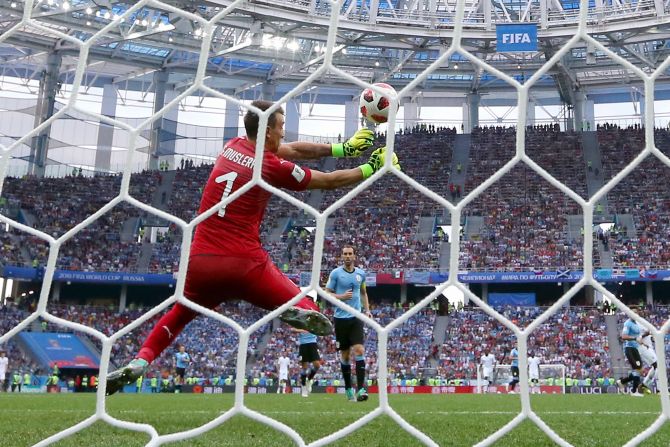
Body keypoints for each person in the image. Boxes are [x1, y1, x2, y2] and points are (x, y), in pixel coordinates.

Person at [105, 100, 400, 395]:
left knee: (180, 313)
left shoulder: (232, 145)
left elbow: (294, 150)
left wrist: (341, 150)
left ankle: (141, 360)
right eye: (281, 127)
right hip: (244, 263)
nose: (284, 133)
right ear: (269, 130)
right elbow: (328, 181)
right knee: (305, 305)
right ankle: (295, 310)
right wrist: (372, 166)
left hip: (201, 261)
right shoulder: (269, 165)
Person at [325, 245, 372, 402]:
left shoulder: (361, 274)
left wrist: (367, 310)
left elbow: (364, 293)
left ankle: (361, 390)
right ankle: (348, 389)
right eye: (345, 254)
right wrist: (341, 296)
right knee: (345, 355)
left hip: (356, 318)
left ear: (354, 256)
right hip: (340, 319)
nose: (347, 256)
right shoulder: (336, 273)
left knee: (359, 350)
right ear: (341, 256)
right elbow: (327, 293)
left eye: (350, 254)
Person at [616, 311, 645, 397]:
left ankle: (622, 382)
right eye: (633, 312)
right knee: (637, 368)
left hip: (636, 349)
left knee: (639, 369)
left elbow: (639, 337)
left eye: (636, 312)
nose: (635, 314)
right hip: (629, 349)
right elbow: (624, 336)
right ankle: (634, 391)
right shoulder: (627, 323)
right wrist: (635, 338)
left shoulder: (637, 324)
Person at [296, 329, 321, 398]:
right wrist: (301, 330)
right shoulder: (300, 321)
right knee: (304, 367)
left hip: (313, 343)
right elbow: (292, 329)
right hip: (303, 344)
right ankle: (303, 388)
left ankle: (309, 379)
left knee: (317, 365)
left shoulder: (314, 319)